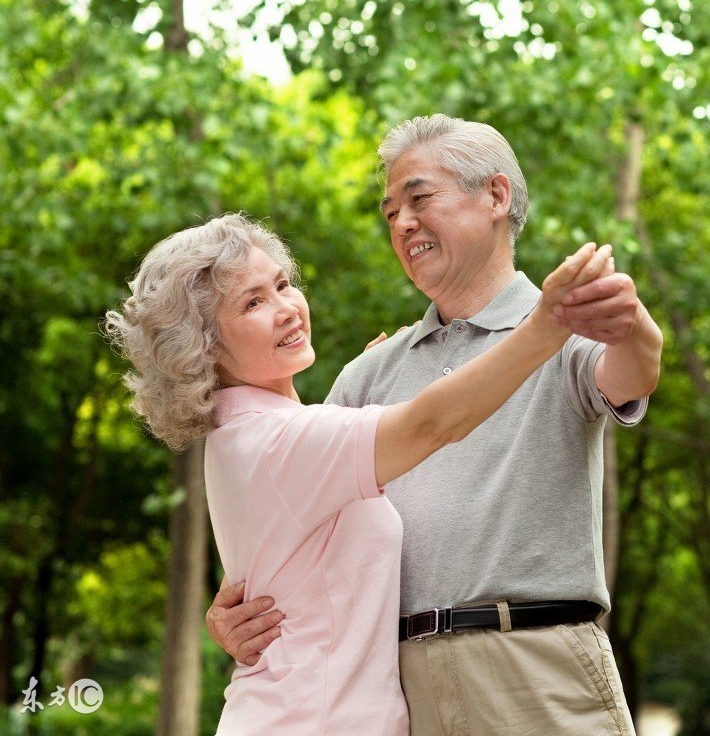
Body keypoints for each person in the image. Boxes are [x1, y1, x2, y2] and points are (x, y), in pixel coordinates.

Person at [208, 115, 664, 735]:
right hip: (398, 690)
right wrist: (233, 613)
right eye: (390, 210)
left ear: (496, 197)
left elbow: (631, 374)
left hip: (533, 668)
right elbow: (301, 530)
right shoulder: (368, 374)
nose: (402, 223)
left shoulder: (561, 326)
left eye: (420, 198)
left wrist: (634, 326)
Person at [105, 212, 613, 734]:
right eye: (253, 303)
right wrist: (545, 328)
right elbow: (431, 425)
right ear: (205, 347)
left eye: (282, 285)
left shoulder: (256, 435)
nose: (285, 309)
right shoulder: (277, 443)